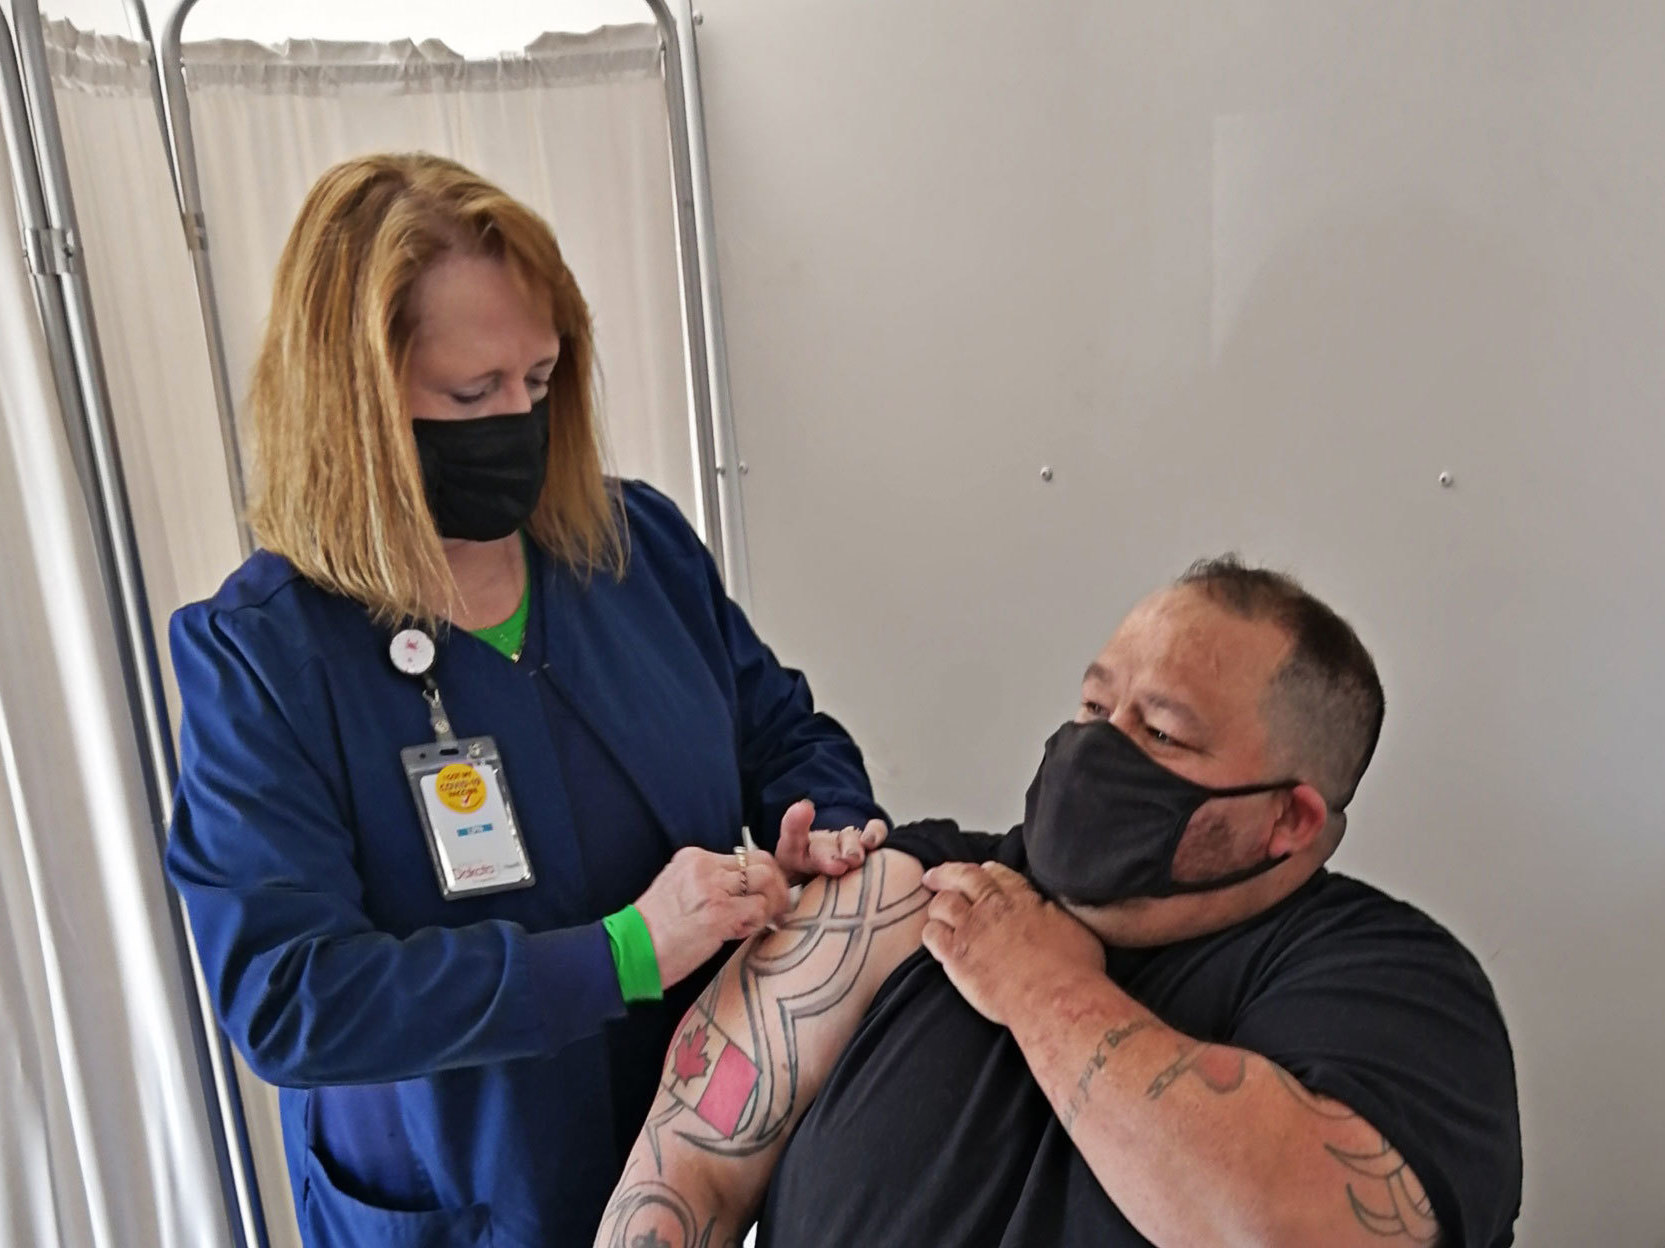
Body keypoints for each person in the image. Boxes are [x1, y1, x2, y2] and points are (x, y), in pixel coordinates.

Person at [164, 152, 888, 1247]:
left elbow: (784, 731)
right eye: (473, 393)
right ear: (355, 401)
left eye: (541, 383)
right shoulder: (265, 656)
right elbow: (290, 995)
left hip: (700, 1149)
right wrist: (627, 951)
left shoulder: (632, 549)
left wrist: (823, 830)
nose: (520, 420)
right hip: (468, 1196)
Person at [596, 557, 1522, 1248]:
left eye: (1158, 732)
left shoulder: (1396, 986)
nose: (1094, 751)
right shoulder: (910, 887)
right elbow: (687, 1174)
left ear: (1288, 816)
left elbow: (1292, 1228)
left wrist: (1044, 992)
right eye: (1092, 709)